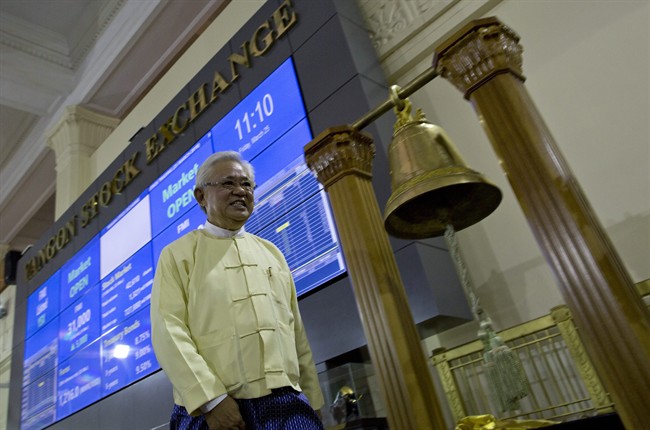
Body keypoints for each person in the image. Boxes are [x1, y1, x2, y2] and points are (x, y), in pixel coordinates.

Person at [150, 151, 325, 430]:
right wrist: (212, 400)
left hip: (287, 404)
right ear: (201, 196)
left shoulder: (273, 254)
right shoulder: (178, 255)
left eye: (246, 185)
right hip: (211, 410)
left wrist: (313, 403)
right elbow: (167, 331)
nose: (240, 192)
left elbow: (296, 335)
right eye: (228, 184)